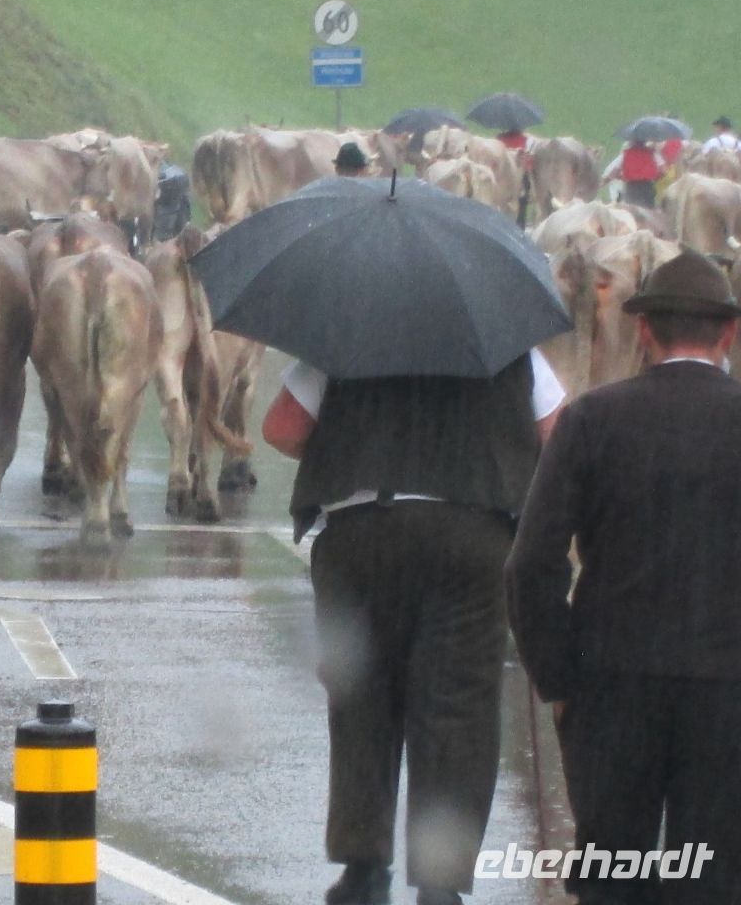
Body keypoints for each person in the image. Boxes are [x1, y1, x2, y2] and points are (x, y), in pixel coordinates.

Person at [263, 349, 564, 905]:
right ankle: (440, 882)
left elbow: (282, 428)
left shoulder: (346, 337)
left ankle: (362, 868)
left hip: (360, 537)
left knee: (361, 699)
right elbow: (556, 433)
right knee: (459, 707)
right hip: (471, 537)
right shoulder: (510, 344)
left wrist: (353, 446)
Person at [507, 251, 741, 904]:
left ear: (643, 330)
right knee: (717, 878)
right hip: (730, 690)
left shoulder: (591, 419)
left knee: (612, 875)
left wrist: (557, 676)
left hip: (611, 683)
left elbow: (531, 563)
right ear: (729, 333)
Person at [602, 138, 664, 209]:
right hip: (647, 187)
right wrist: (655, 178)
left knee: (630, 211)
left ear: (632, 142)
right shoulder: (652, 153)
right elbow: (662, 170)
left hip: (631, 188)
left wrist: (619, 177)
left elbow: (613, 172)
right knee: (648, 212)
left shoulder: (626, 154)